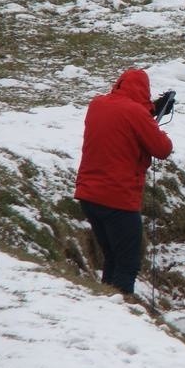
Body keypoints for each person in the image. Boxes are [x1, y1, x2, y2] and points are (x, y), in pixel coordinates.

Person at [75, 68, 173, 295]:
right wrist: (150, 117)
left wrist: (148, 113)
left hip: (89, 196)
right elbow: (162, 149)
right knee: (128, 263)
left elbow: (121, 125)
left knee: (112, 257)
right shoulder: (136, 113)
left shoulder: (97, 105)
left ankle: (106, 303)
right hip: (117, 199)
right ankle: (121, 309)